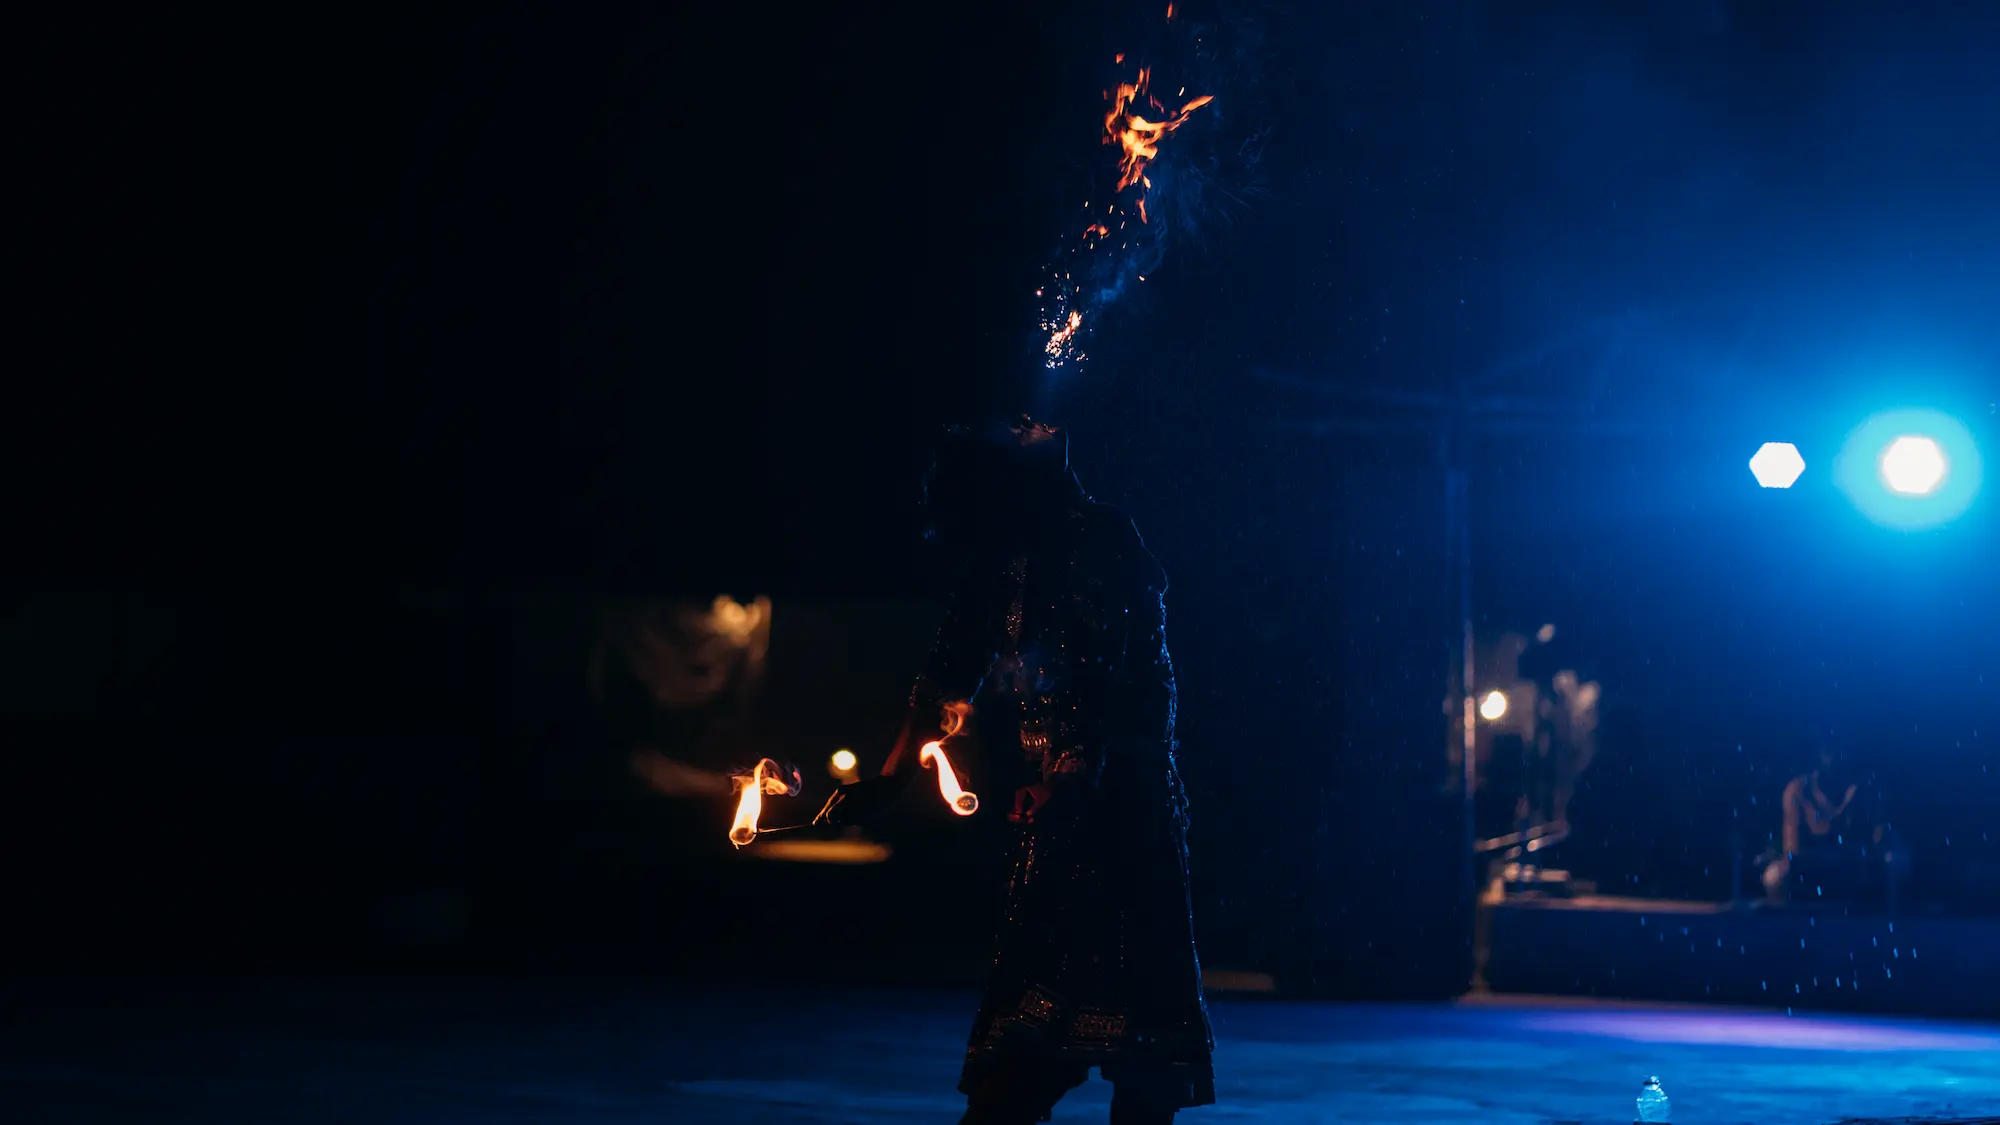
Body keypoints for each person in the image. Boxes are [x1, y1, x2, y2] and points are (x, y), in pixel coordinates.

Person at [816, 417, 1214, 1124]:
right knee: (1017, 1059)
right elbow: (941, 680)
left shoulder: (1103, 539)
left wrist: (1071, 772)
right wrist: (887, 783)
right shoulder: (997, 563)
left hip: (1126, 823)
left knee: (1141, 1067)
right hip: (1058, 827)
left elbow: (1113, 674)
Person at [1761, 747, 1859, 900]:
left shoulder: (1858, 790)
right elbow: (1794, 852)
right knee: (1774, 877)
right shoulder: (1798, 789)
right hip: (1808, 865)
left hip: (1848, 865)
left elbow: (1866, 844)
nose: (1833, 755)